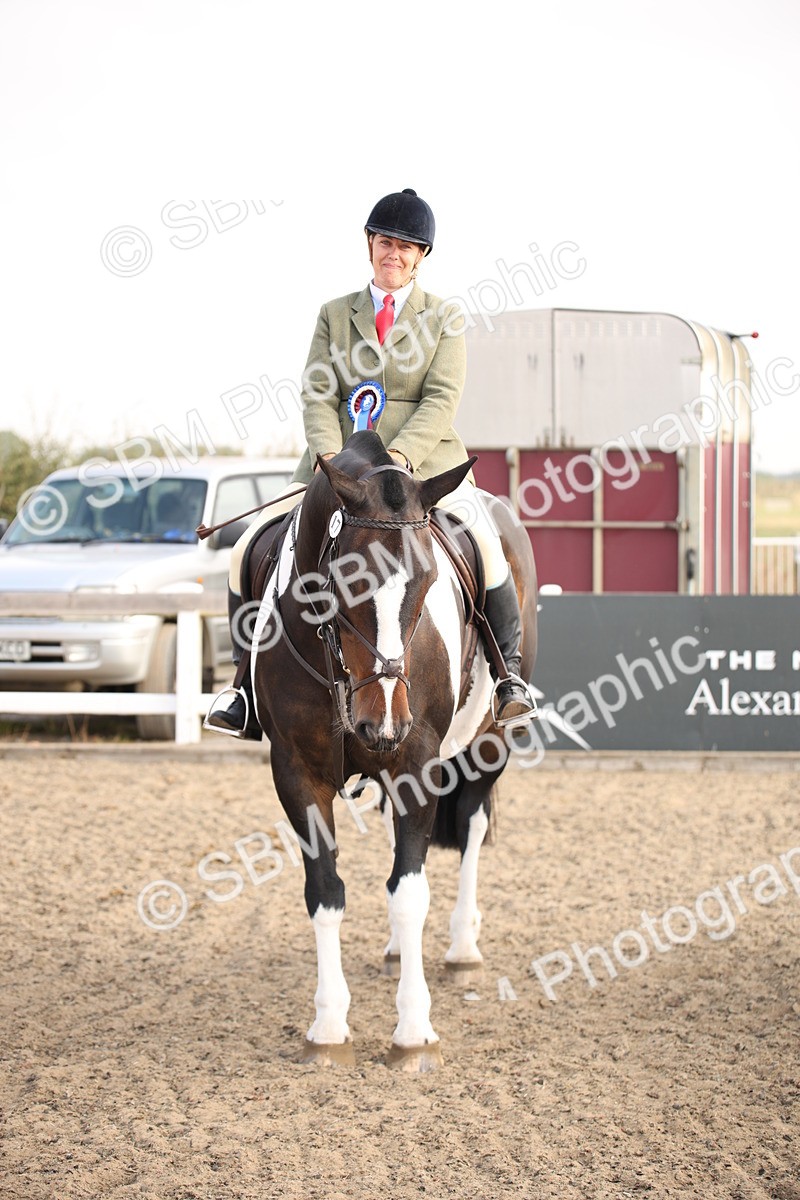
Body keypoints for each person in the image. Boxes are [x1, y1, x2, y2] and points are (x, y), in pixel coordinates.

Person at [207, 188, 537, 735]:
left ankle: (508, 679)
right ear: (369, 245)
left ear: (421, 256)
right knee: (249, 546)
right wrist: (329, 458)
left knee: (484, 541)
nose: (394, 254)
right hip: (337, 467)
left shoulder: (444, 316)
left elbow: (442, 397)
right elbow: (317, 393)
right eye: (386, 242)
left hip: (422, 466)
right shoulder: (335, 314)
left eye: (407, 247)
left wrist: (400, 458)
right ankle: (242, 686)